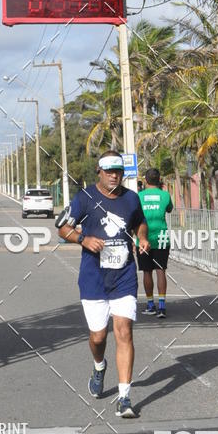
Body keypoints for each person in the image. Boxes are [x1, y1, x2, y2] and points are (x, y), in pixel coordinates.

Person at [58, 150, 150, 418]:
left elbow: (140, 223)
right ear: (99, 171)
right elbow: (63, 228)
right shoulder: (84, 198)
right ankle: (99, 366)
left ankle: (124, 398)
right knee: (98, 337)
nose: (114, 176)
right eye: (109, 171)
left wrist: (143, 237)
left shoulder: (131, 198)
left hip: (124, 277)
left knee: (124, 331)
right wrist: (83, 239)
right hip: (94, 279)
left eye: (118, 171)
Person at [137, 168, 173, 318]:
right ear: (159, 180)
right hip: (161, 236)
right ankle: (162, 307)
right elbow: (169, 209)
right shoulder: (165, 195)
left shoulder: (139, 196)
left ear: (145, 180)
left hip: (143, 237)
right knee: (161, 270)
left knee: (147, 271)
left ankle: (151, 305)